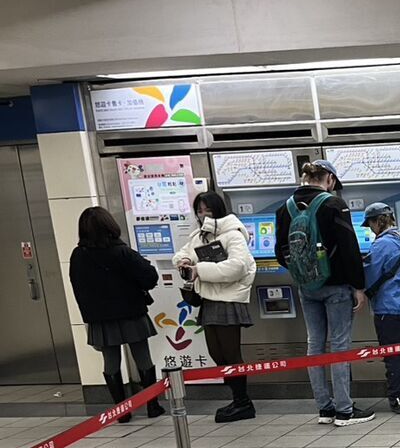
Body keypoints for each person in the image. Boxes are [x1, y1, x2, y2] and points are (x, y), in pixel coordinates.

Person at [274, 159, 373, 427]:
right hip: (336, 286)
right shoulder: (334, 205)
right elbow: (349, 247)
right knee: (339, 345)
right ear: (329, 179)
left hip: (306, 288)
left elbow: (280, 252)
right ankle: (344, 410)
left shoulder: (285, 208)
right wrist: (358, 286)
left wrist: (304, 273)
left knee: (315, 344)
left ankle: (324, 408)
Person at [68, 206, 165, 423]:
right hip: (131, 313)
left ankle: (121, 412)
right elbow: (149, 277)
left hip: (100, 319)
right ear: (110, 226)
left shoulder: (78, 255)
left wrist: (88, 318)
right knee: (143, 358)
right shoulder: (122, 252)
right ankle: (152, 405)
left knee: (110, 362)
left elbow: (78, 288)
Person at [172, 192, 257, 423]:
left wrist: (199, 270)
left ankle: (242, 402)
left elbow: (237, 267)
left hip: (229, 299)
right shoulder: (200, 235)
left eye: (207, 210)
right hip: (209, 299)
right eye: (199, 211)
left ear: (218, 209)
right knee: (216, 353)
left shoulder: (233, 234)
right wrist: (184, 262)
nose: (203, 215)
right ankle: (238, 399)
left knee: (231, 354)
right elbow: (181, 254)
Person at [361, 203, 400, 414]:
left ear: (377, 221)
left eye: (370, 224)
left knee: (392, 355)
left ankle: (396, 398)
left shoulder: (380, 245)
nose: (370, 229)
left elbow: (371, 276)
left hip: (388, 308)